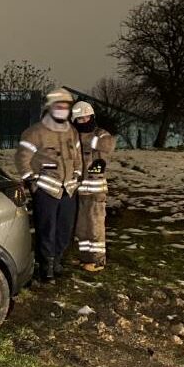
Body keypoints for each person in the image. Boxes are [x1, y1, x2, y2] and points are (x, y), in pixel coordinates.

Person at [14, 88, 83, 282]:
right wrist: (32, 181)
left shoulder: (72, 132)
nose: (62, 109)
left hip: (68, 190)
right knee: (46, 229)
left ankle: (57, 259)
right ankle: (46, 267)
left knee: (65, 229)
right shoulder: (35, 132)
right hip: (46, 189)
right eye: (58, 106)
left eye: (66, 106)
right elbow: (22, 159)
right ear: (50, 107)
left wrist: (77, 176)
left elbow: (77, 159)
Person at [72, 101, 115, 272]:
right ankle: (85, 258)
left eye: (86, 117)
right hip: (80, 192)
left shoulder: (101, 134)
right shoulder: (75, 137)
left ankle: (98, 260)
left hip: (96, 192)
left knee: (95, 227)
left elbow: (108, 145)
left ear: (92, 116)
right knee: (82, 229)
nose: (84, 121)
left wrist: (82, 138)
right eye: (80, 119)